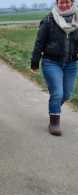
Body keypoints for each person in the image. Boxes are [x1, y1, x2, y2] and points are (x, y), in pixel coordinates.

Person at [31, 0, 78, 136]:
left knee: (67, 94)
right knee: (57, 93)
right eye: (61, 2)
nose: (64, 5)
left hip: (71, 63)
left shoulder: (77, 19)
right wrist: (35, 61)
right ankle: (54, 123)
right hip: (51, 62)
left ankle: (54, 107)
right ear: (57, 3)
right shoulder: (48, 20)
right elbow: (39, 42)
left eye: (67, 2)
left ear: (72, 2)